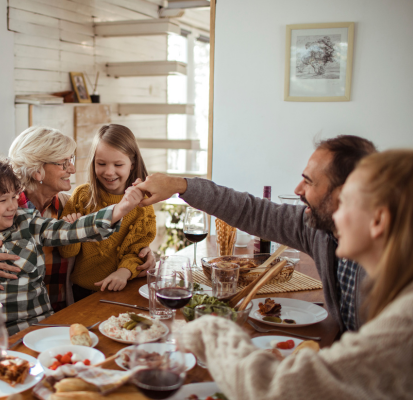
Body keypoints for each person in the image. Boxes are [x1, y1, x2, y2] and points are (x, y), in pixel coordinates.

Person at [176, 149, 413, 399]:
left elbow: (279, 388)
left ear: (378, 220)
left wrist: (211, 331)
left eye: (345, 203)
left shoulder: (405, 323)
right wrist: (181, 185)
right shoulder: (325, 235)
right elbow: (254, 211)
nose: (337, 216)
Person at [136, 135, 377, 333]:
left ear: (344, 193)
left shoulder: (389, 260)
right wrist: (180, 186)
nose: (298, 190)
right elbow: (249, 210)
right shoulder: (320, 230)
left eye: (309, 182)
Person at [0, 156, 146, 334]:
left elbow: (73, 230)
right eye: (3, 200)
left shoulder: (27, 222)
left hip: (39, 328)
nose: (12, 206)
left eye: (13, 197)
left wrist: (122, 208)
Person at [0, 126, 155, 311]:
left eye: (70, 161)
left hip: (56, 315)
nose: (72, 169)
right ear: (38, 171)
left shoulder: (66, 205)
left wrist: (144, 255)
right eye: (64, 163)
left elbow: (98, 236)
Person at [59, 124, 156, 301]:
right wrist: (72, 230)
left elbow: (138, 251)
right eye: (101, 164)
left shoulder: (143, 206)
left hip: (124, 288)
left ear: (132, 164)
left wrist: (124, 272)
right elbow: (67, 253)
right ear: (93, 162)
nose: (109, 172)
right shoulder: (82, 196)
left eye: (118, 164)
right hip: (82, 292)